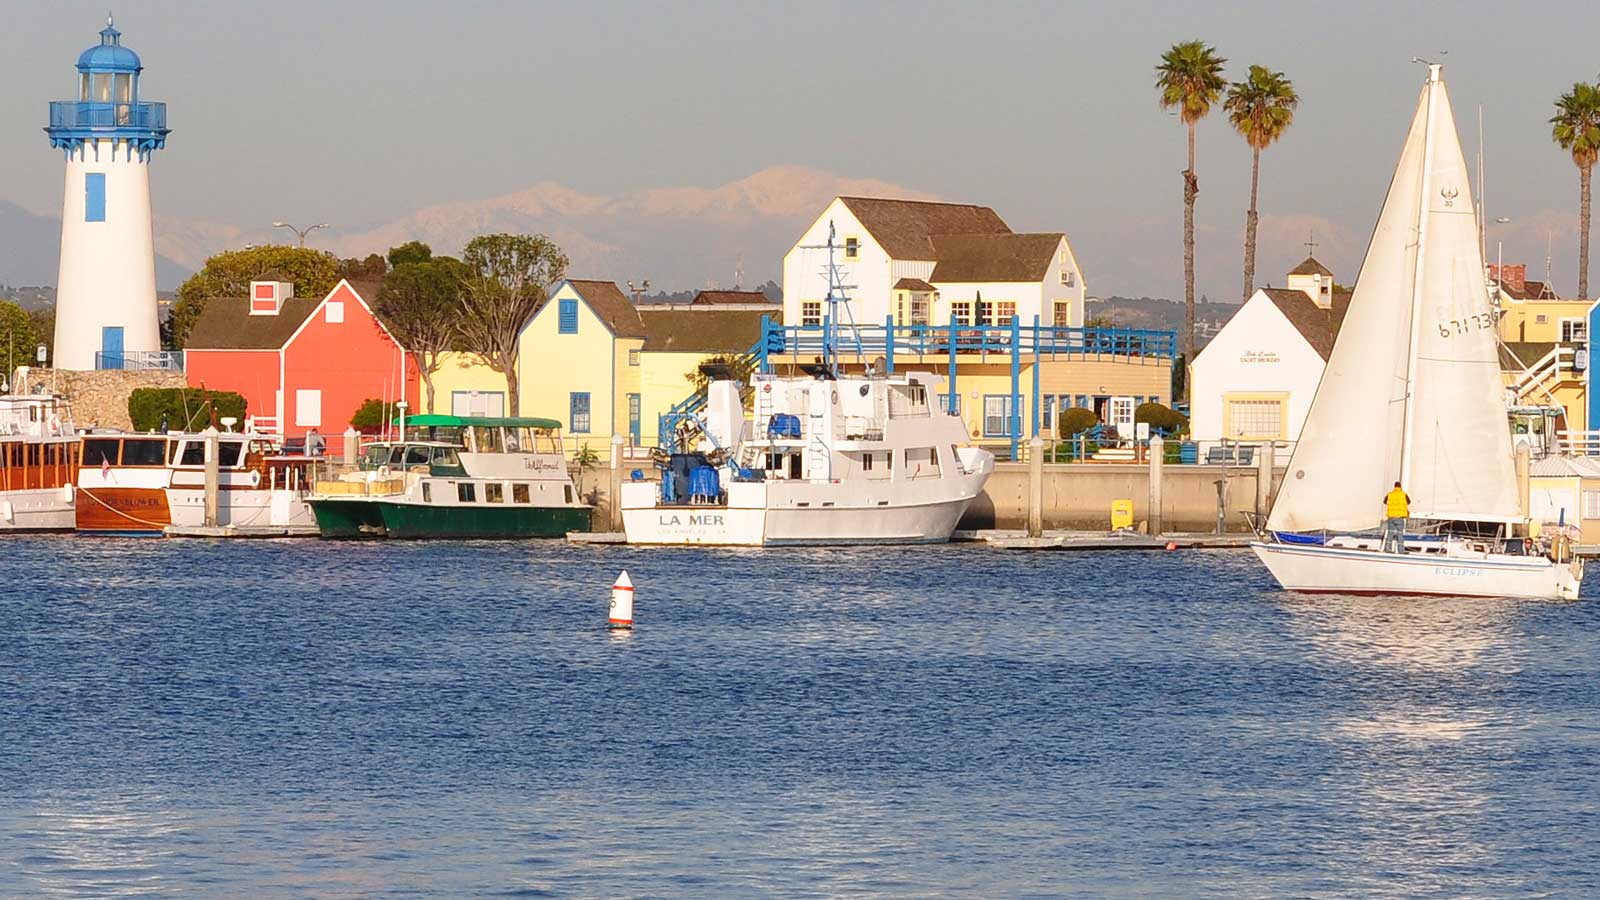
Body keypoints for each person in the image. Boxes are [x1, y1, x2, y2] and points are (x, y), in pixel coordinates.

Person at [1382, 481, 1410, 553]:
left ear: (1394, 486)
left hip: (1391, 516)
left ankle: (1387, 548)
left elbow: (1384, 502)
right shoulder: (1404, 494)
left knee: (1390, 533)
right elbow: (1409, 502)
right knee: (1400, 533)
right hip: (1400, 517)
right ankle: (1401, 550)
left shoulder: (1389, 494)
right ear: (1400, 487)